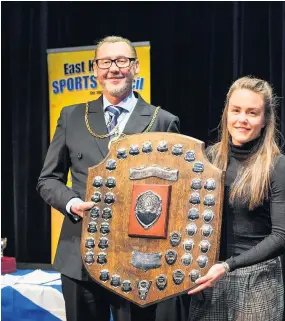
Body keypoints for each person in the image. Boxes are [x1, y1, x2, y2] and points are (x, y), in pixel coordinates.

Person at [37, 35, 180, 321]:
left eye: (122, 61)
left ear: (135, 67)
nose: (114, 68)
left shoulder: (162, 121)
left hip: (139, 261)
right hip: (79, 256)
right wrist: (72, 202)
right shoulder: (72, 117)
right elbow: (48, 180)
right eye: (106, 62)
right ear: (95, 69)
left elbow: (175, 194)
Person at [188, 76, 285, 321]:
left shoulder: (278, 166)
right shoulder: (208, 158)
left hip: (257, 282)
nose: (242, 120)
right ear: (226, 112)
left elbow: (283, 237)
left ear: (265, 120)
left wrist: (229, 265)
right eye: (236, 110)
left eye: (252, 113)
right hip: (210, 279)